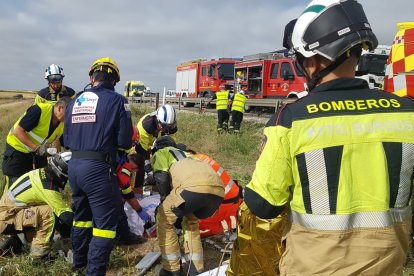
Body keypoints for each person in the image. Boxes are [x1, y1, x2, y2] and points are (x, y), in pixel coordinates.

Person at [244, 0, 414, 275]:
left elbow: (263, 205)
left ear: (314, 60)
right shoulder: (408, 113)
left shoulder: (291, 118)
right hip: (387, 265)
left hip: (313, 267)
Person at [64, 57, 133, 275]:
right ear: (114, 80)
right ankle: (94, 271)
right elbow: (124, 141)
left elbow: (66, 139)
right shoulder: (118, 101)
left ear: (91, 78)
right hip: (98, 170)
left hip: (74, 167)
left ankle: (79, 262)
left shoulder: (74, 101)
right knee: (104, 227)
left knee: (82, 218)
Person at [150, 136, 224, 276]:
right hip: (217, 192)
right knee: (191, 221)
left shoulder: (161, 152)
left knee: (164, 218)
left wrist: (164, 202)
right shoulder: (189, 155)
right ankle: (195, 268)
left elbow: (162, 179)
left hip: (192, 187)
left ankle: (171, 270)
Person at [0, 152, 73, 259]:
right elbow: (65, 216)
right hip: (7, 219)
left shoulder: (41, 173)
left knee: (44, 214)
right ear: (62, 173)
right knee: (49, 213)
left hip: (8, 214)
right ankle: (39, 256)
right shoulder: (49, 188)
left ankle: (14, 244)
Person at [2, 96, 71, 188]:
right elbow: (18, 131)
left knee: (42, 181)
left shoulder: (62, 123)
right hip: (17, 150)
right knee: (15, 184)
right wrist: (37, 148)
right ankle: (6, 201)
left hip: (36, 153)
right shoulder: (40, 110)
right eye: (68, 114)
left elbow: (64, 142)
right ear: (60, 108)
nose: (70, 117)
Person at [134, 104, 177, 190]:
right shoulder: (145, 125)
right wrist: (149, 170)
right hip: (144, 144)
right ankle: (139, 188)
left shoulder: (170, 124)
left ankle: (165, 186)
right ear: (158, 120)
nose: (167, 130)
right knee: (141, 163)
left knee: (166, 159)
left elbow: (171, 144)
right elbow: (142, 151)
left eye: (169, 127)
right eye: (164, 127)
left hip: (157, 142)